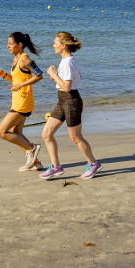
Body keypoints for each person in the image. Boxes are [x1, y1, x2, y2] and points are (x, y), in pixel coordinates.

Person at [39, 31, 102, 180]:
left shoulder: (67, 62)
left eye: (55, 43)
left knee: (75, 138)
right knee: (47, 133)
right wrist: (55, 75)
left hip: (71, 101)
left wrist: (53, 75)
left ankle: (93, 164)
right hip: (63, 100)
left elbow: (67, 87)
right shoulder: (66, 60)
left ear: (63, 45)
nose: (53, 45)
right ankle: (56, 167)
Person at [0, 32, 44, 172]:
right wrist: (5, 75)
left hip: (23, 102)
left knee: (1, 131)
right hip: (17, 101)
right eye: (8, 44)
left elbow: (39, 75)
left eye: (11, 44)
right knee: (16, 132)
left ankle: (32, 148)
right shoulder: (16, 59)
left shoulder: (25, 58)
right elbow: (17, 80)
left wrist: (21, 86)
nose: (8, 46)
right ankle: (36, 162)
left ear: (20, 45)